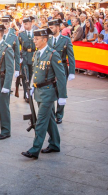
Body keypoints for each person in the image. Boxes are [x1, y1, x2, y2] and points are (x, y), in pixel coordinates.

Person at [21, 28, 67, 160]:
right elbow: (36, 72)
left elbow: (61, 76)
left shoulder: (52, 54)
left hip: (48, 92)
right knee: (50, 119)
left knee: (41, 121)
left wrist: (62, 96)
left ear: (45, 40)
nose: (34, 41)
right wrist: (32, 86)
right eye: (34, 38)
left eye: (37, 39)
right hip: (39, 91)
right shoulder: (37, 54)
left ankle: (35, 149)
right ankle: (54, 144)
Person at [48, 19, 75, 124]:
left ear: (58, 27)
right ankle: (51, 114)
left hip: (62, 68)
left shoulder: (66, 40)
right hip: (50, 69)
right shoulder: (48, 40)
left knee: (61, 91)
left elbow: (71, 57)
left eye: (52, 27)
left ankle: (59, 115)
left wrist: (72, 71)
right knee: (50, 91)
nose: (50, 29)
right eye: (49, 27)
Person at [18, 17, 35, 102]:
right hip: (24, 57)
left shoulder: (35, 33)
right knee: (25, 76)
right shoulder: (21, 34)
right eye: (23, 24)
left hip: (33, 56)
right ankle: (27, 94)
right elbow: (18, 47)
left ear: (31, 23)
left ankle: (29, 92)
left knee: (31, 75)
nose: (24, 25)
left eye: (26, 24)